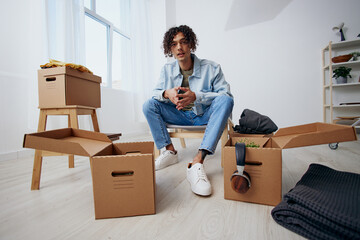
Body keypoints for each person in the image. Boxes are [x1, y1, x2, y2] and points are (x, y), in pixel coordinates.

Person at [143, 25, 233, 197]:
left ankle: (198, 161)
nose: (179, 47)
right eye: (174, 44)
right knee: (148, 104)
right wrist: (166, 93)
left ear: (191, 44)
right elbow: (155, 93)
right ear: (170, 48)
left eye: (183, 42)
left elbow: (225, 95)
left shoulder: (212, 68)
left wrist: (196, 96)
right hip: (178, 115)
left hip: (204, 116)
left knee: (226, 99)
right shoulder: (166, 70)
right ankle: (169, 150)